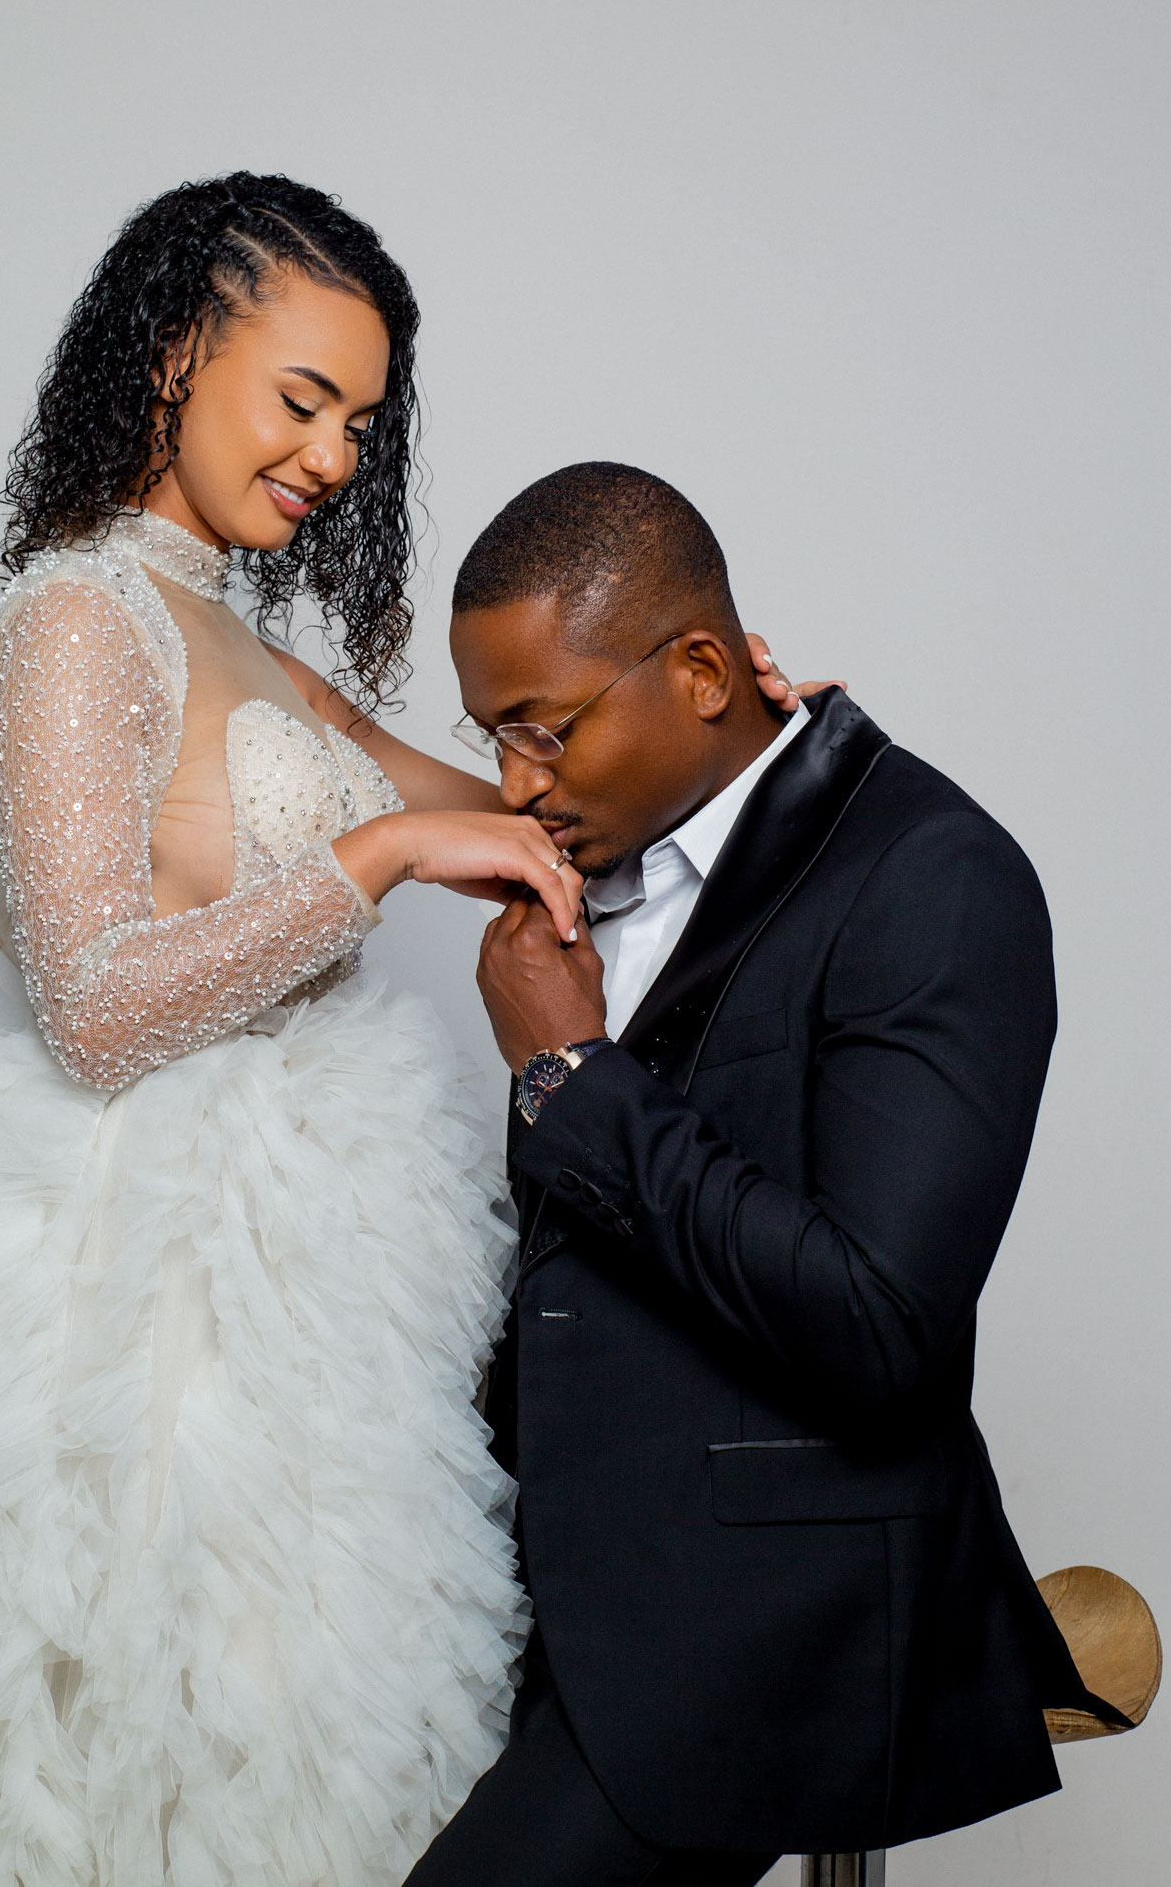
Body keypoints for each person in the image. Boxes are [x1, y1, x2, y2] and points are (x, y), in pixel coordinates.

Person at [0, 174, 626, 1887]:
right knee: (85, 1741)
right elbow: (92, 1003)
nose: (334, 456)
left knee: (283, 1724)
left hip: (293, 1263)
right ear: (171, 354)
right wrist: (374, 855)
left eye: (361, 424)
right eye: (304, 399)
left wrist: (729, 728)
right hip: (116, 1281)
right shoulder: (74, 618)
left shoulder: (239, 635)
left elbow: (528, 821)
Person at [408, 463, 1111, 1886]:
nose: (518, 784)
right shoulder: (604, 850)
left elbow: (879, 1326)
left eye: (544, 732)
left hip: (748, 1623)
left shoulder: (932, 874)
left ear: (702, 673)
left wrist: (569, 1076)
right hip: (527, 1585)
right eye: (494, 739)